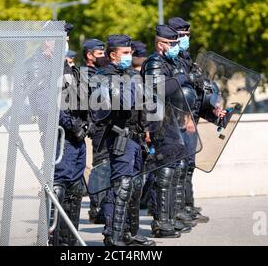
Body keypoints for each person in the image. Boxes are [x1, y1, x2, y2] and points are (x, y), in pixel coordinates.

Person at [96, 34, 155, 246]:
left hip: (137, 137)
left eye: (130, 53)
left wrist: (147, 129)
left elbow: (145, 105)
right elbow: (120, 104)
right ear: (113, 55)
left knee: (135, 185)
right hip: (119, 135)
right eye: (126, 53)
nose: (130, 57)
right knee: (122, 185)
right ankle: (114, 236)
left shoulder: (132, 75)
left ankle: (131, 232)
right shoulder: (104, 76)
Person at [141, 25, 194, 238]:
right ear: (161, 44)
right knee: (164, 172)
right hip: (161, 122)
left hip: (174, 120)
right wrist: (181, 79)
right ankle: (161, 223)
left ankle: (170, 218)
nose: (175, 47)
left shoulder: (170, 63)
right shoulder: (155, 62)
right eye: (172, 43)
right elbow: (158, 89)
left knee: (173, 171)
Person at [49, 23, 89, 246]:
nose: (66, 42)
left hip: (76, 140)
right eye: (62, 38)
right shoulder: (44, 67)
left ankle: (69, 242)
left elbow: (81, 98)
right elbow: (48, 106)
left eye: (66, 38)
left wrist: (87, 121)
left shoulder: (67, 67)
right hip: (59, 139)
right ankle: (54, 241)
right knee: (59, 190)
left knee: (75, 190)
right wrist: (72, 123)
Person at [168, 17, 209, 224]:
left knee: (189, 165)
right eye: (181, 35)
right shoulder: (173, 59)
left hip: (191, 116)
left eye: (187, 35)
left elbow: (195, 88)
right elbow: (178, 93)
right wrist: (186, 116)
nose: (186, 39)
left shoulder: (185, 57)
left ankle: (187, 205)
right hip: (180, 120)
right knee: (181, 166)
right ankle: (179, 209)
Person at [82, 38, 109, 224]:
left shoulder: (100, 73)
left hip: (106, 124)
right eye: (99, 54)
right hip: (98, 125)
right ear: (89, 56)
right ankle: (96, 207)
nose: (103, 57)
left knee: (106, 165)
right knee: (100, 166)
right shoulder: (85, 74)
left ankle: (102, 205)